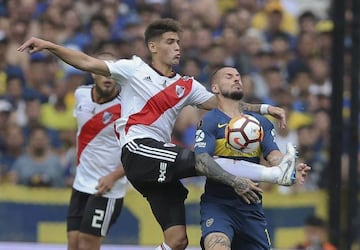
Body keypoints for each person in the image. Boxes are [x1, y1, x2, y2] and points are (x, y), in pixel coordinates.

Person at [18, 18, 297, 250]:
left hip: (158, 163)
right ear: (153, 46)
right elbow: (86, 62)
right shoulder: (132, 69)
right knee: (201, 158)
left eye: (178, 42)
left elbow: (225, 103)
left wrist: (265, 108)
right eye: (170, 42)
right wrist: (50, 46)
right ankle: (275, 175)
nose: (177, 47)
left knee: (177, 242)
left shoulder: (186, 85)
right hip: (139, 151)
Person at [194, 66, 311, 249]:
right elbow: (201, 161)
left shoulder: (261, 122)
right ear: (215, 88)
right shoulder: (210, 121)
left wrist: (289, 168)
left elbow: (273, 156)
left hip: (251, 207)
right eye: (229, 76)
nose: (236, 79)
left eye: (238, 76)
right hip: (218, 204)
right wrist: (234, 182)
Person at [66, 52, 127, 250]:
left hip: (107, 188)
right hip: (81, 183)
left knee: (87, 245)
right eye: (102, 71)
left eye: (112, 72)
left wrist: (114, 176)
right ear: (93, 73)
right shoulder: (80, 94)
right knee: (73, 244)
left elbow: (139, 151)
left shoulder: (128, 106)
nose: (108, 77)